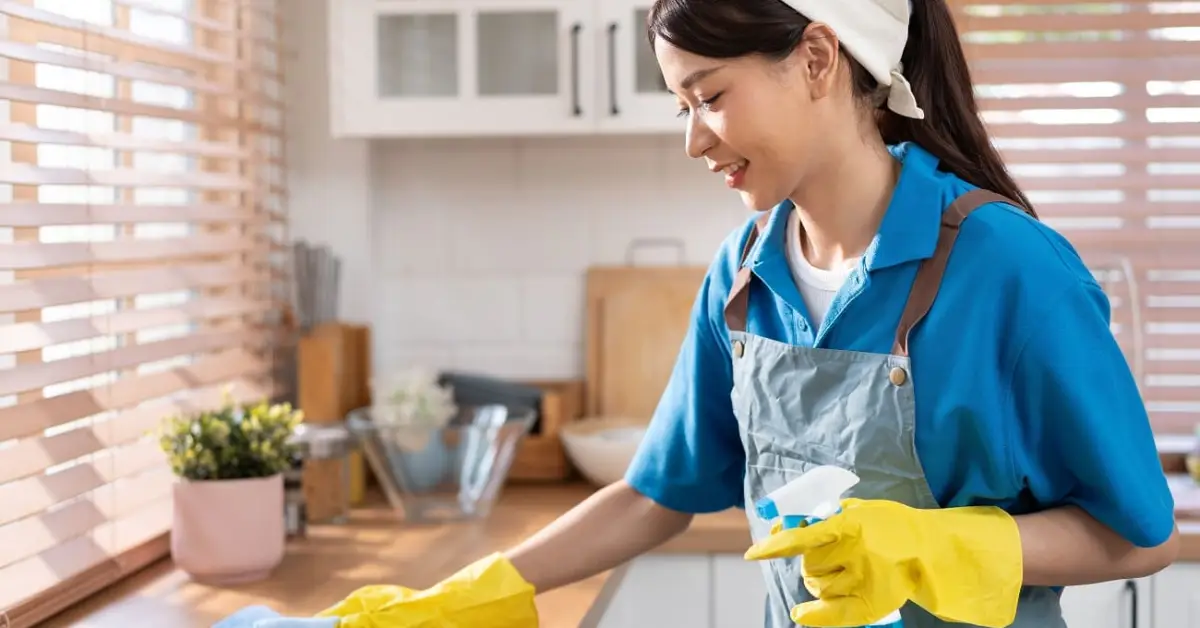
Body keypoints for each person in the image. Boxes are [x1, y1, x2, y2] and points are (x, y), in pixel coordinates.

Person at [221, 0, 1181, 626]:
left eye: (708, 97)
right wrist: (487, 588)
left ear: (816, 57)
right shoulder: (745, 274)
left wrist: (943, 545)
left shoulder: (1007, 271)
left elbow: (1139, 532)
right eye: (681, 105)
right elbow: (657, 493)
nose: (692, 140)